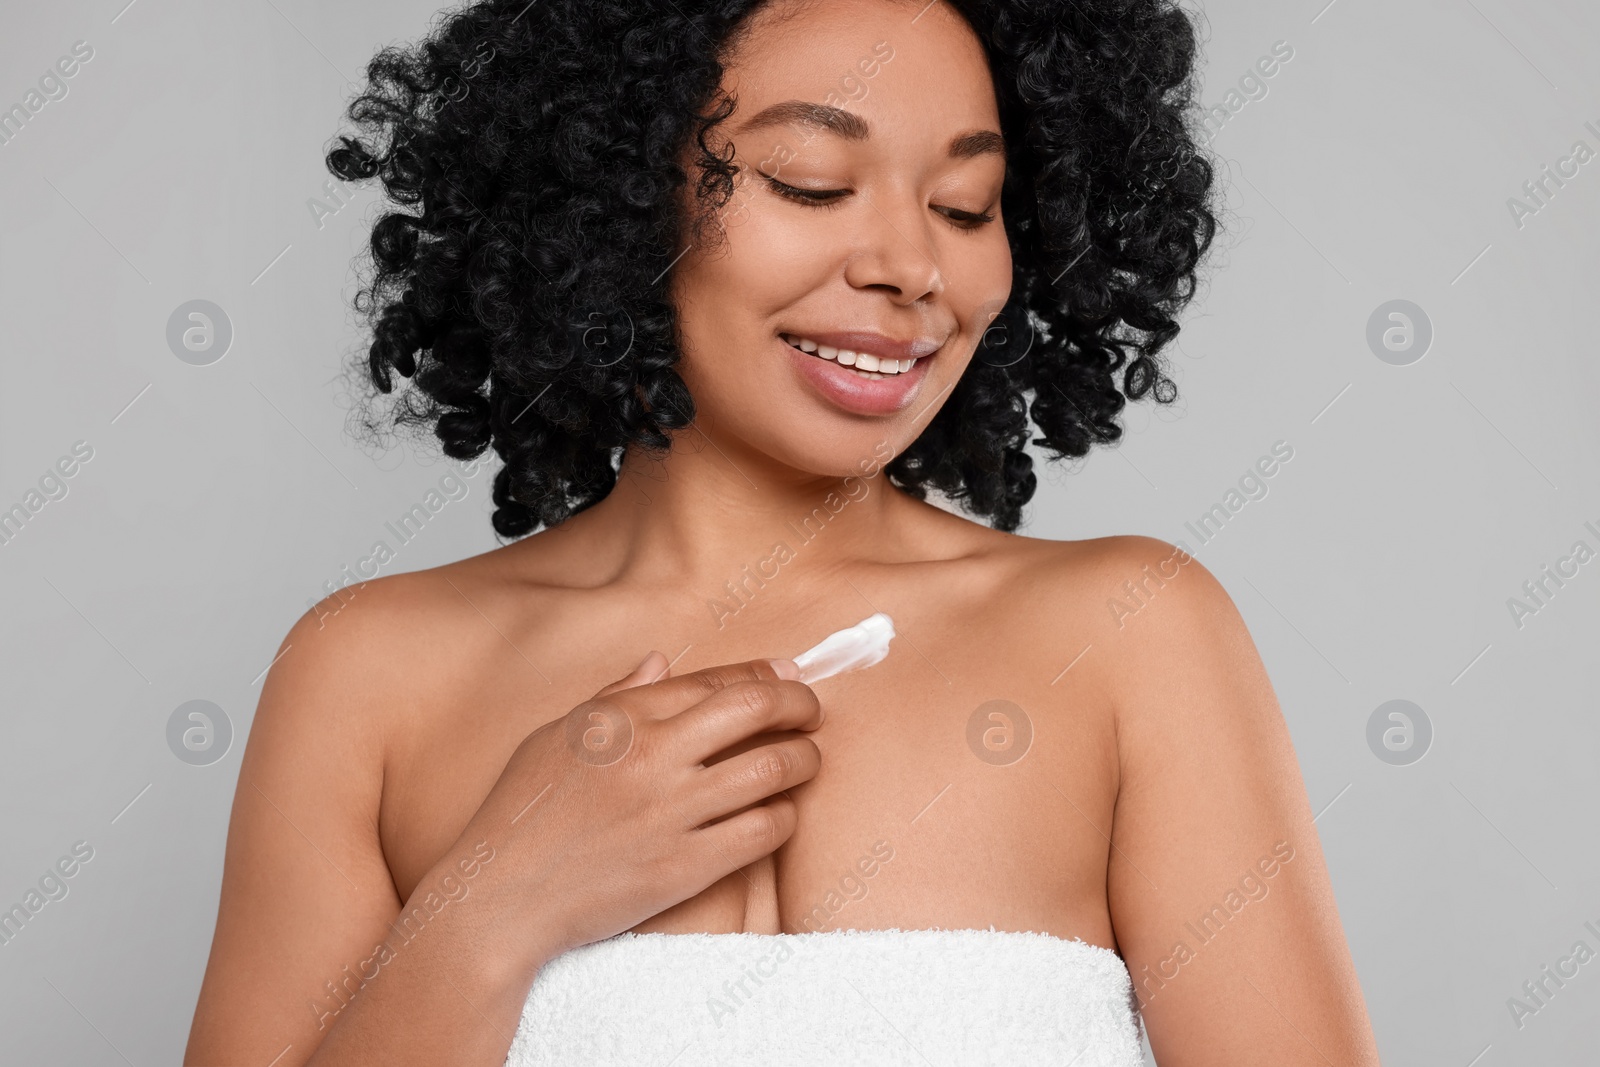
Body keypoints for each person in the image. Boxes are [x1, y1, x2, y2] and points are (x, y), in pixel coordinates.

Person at [186, 0, 1382, 1063]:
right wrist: (487, 911)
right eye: (811, 181)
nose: (912, 265)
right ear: (606, 192)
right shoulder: (368, 676)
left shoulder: (1130, 636)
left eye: (966, 203)